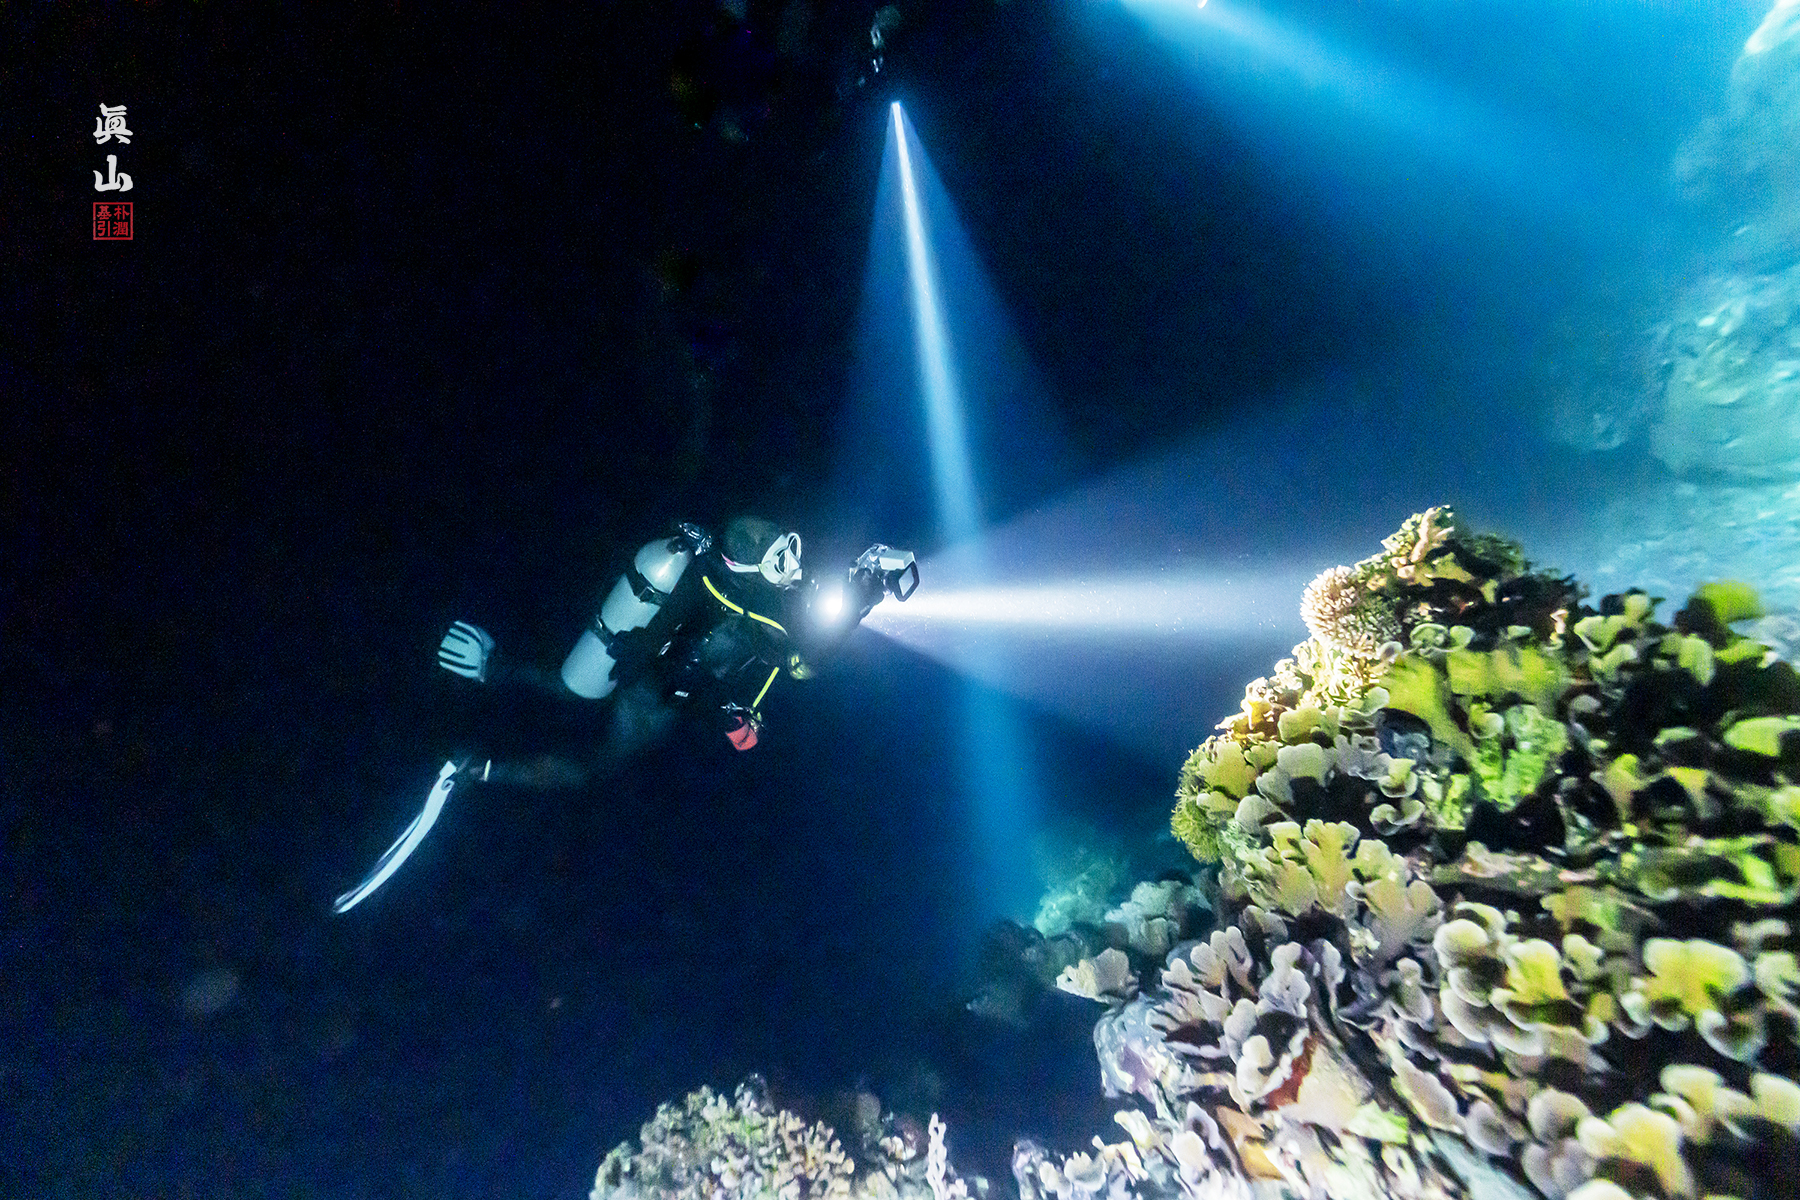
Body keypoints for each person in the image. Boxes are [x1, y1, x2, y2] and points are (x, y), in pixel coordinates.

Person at [332, 516, 916, 913]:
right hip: (658, 694)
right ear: (747, 568)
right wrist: (859, 601)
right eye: (780, 558)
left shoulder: (737, 582)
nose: (794, 564)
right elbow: (797, 655)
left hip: (642, 662)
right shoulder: (743, 600)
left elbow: (786, 652)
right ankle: (471, 769)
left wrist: (851, 585)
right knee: (588, 767)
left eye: (791, 549)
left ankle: (497, 669)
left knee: (573, 691)